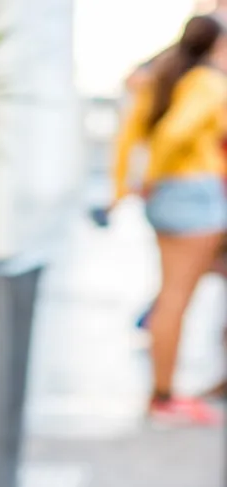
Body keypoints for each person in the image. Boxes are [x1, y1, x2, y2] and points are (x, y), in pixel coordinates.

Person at [107, 14, 227, 425]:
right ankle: (163, 396)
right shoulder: (209, 85)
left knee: (171, 295)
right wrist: (154, 175)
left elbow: (129, 134)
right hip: (192, 192)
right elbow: (175, 134)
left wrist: (127, 185)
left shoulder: (163, 77)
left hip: (171, 195)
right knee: (176, 298)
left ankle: (163, 394)